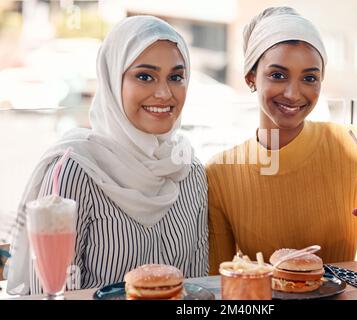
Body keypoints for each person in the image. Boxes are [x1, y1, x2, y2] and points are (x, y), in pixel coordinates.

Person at [5, 16, 208, 295]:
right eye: (144, 76)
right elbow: (50, 291)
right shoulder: (76, 169)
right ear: (113, 81)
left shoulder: (190, 170)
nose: (164, 93)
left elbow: (198, 288)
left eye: (176, 77)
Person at [206, 7, 357, 274]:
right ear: (251, 77)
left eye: (309, 78)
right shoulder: (220, 173)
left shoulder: (354, 146)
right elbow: (218, 281)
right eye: (278, 75)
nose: (293, 93)